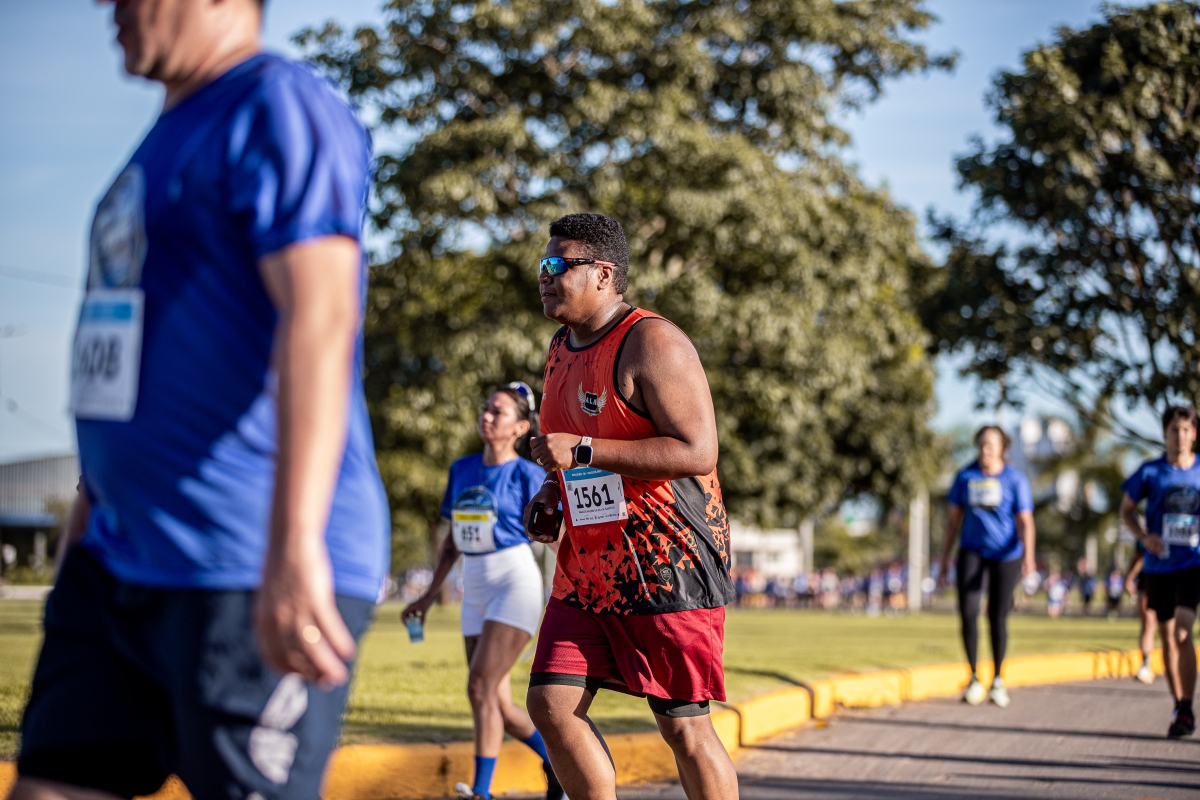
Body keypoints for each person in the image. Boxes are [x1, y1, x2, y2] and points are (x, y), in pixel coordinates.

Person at [10, 3, 390, 800]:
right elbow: (135, 365)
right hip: (116, 562)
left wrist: (294, 545)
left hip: (243, 557)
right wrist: (85, 523)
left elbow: (321, 316)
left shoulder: (276, 103)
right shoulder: (161, 139)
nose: (108, 7)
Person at [521, 213, 739, 800]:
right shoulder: (560, 347)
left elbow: (697, 450)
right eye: (542, 265)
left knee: (683, 728)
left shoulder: (652, 342)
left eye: (557, 264)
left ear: (603, 273)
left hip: (668, 563)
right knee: (550, 703)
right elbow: (571, 448)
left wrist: (583, 450)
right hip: (589, 569)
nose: (544, 276)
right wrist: (552, 493)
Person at [401, 384, 562, 800]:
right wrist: (427, 596)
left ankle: (481, 792)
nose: (486, 416)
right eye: (486, 409)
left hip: (514, 582)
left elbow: (555, 537)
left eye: (498, 412)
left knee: (480, 688)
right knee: (496, 703)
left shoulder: (528, 474)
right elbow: (453, 541)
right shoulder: (462, 469)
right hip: (473, 586)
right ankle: (557, 765)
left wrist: (575, 584)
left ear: (520, 427)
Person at [937, 426, 1036, 709]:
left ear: (1003, 448)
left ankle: (998, 680)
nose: (985, 450)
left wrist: (1029, 558)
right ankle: (973, 678)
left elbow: (1026, 521)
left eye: (991, 444)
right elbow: (953, 521)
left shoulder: (1014, 478)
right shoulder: (965, 476)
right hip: (971, 551)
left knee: (997, 615)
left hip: (1006, 555)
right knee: (968, 612)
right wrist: (944, 559)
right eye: (981, 444)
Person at [1119, 405, 1200, 737]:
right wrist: (1143, 537)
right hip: (1158, 566)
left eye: (1186, 430)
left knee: (1182, 631)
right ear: (1165, 433)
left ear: (1194, 433)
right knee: (1166, 636)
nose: (1180, 436)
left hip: (1193, 563)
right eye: (1174, 430)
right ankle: (1178, 705)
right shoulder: (1150, 472)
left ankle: (1188, 706)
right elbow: (1126, 511)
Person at [1123, 547, 1159, 684]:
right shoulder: (1148, 534)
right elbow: (1140, 552)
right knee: (1148, 621)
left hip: (1179, 573)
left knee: (1170, 625)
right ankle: (1145, 664)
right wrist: (1129, 577)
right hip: (1150, 574)